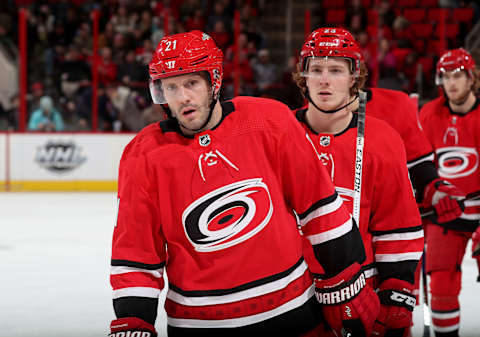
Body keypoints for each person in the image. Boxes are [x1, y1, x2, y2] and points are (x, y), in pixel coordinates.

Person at [109, 30, 380, 337]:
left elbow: (318, 204)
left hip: (293, 313)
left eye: (191, 83)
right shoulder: (143, 155)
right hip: (199, 324)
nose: (182, 96)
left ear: (213, 82)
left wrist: (345, 277)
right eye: (170, 87)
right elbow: (137, 252)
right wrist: (134, 321)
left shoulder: (268, 120)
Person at [292, 27, 424, 337]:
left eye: (336, 69)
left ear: (354, 77)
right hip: (291, 297)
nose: (325, 79)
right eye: (317, 69)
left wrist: (396, 294)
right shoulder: (278, 133)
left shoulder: (382, 139)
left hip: (362, 294)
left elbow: (397, 223)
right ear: (304, 75)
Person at [419, 48, 480, 337]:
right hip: (445, 214)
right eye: (445, 76)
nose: (451, 82)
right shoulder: (428, 114)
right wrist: (427, 198)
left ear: (471, 77)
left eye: (457, 75)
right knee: (441, 286)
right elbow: (420, 166)